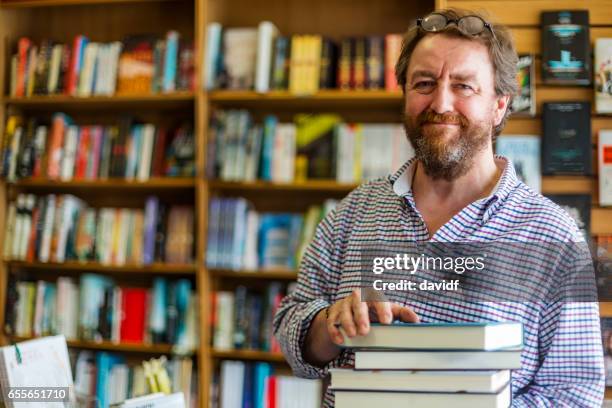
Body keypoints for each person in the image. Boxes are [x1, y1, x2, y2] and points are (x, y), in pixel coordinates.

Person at [273, 8, 605, 407]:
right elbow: (292, 332)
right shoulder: (355, 211)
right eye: (424, 83)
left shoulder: (554, 236)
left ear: (500, 104)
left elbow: (575, 393)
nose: (440, 102)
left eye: (464, 86)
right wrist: (330, 326)